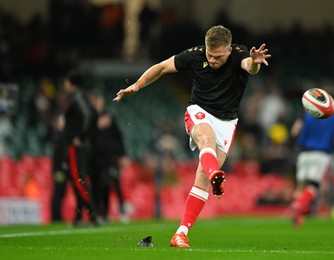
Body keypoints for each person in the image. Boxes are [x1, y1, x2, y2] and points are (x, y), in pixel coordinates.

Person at [113, 25, 271, 247]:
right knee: (206, 142)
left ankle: (181, 233)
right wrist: (137, 86)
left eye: (218, 56)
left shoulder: (241, 55)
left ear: (228, 50)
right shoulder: (195, 55)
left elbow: (250, 67)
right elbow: (161, 68)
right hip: (200, 111)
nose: (213, 60)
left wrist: (254, 61)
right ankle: (215, 171)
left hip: (227, 122)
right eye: (209, 54)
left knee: (203, 181)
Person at [289, 104, 334, 227]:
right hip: (322, 154)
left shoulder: (306, 113)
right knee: (316, 185)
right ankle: (302, 205)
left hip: (303, 153)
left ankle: (298, 217)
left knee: (300, 186)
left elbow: (294, 131)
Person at [62, 70, 99, 226]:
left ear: (71, 84)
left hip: (75, 147)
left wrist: (81, 137)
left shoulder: (77, 98)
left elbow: (90, 115)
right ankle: (78, 217)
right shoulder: (82, 97)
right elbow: (92, 115)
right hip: (79, 146)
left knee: (78, 181)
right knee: (76, 179)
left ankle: (93, 213)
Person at [89, 90, 128, 222]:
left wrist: (122, 155)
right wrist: (97, 126)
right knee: (96, 185)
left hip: (109, 157)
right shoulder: (89, 117)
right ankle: (97, 213)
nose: (97, 105)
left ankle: (109, 212)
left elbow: (118, 136)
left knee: (109, 183)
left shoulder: (109, 116)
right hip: (94, 157)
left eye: (98, 102)